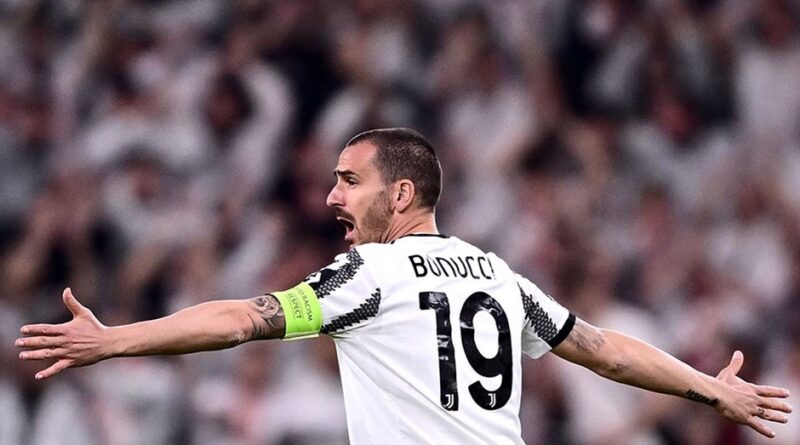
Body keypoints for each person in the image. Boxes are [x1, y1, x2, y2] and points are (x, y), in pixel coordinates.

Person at [15, 128, 793, 444]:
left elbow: (242, 318)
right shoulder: (497, 273)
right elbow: (603, 348)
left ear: (402, 195)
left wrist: (116, 339)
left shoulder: (369, 274)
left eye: (348, 181)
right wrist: (707, 387)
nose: (331, 196)